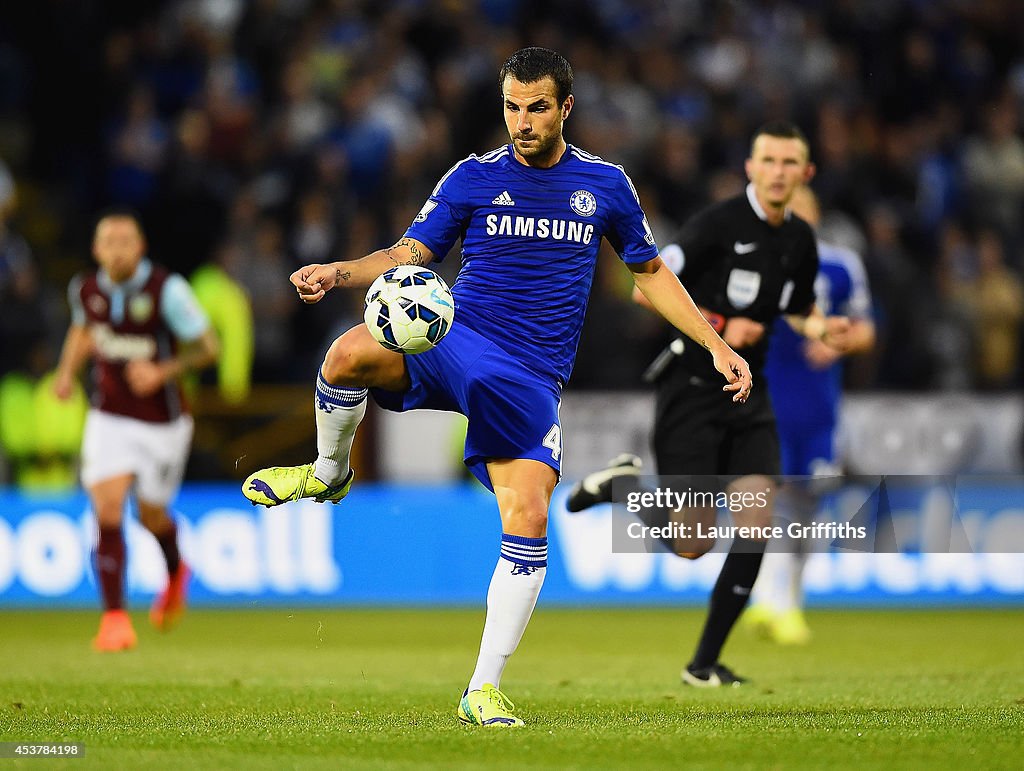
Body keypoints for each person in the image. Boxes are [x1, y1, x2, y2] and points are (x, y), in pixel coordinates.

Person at [242, 47, 752, 726]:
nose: (522, 120)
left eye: (537, 106)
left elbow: (651, 273)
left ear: (565, 107)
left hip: (529, 376)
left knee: (529, 518)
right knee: (344, 355)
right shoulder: (472, 177)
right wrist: (339, 272)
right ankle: (329, 470)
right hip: (453, 339)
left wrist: (712, 343)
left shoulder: (604, 185)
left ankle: (481, 686)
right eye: (512, 106)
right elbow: (408, 253)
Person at [568, 121, 856, 687]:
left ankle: (704, 664)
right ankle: (621, 488)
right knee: (694, 542)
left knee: (756, 522)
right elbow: (642, 285)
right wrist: (722, 325)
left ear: (805, 173)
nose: (778, 172)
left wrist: (822, 326)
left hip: (751, 393)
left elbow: (794, 308)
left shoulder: (800, 240)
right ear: (751, 167)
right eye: (767, 160)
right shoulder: (715, 226)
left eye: (788, 163)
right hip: (692, 394)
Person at [53, 210, 219, 652]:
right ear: (96, 249)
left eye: (127, 240)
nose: (118, 248)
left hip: (163, 424)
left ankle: (175, 570)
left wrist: (164, 370)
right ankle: (113, 620)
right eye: (109, 241)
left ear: (141, 247)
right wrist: (66, 374)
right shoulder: (85, 290)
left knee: (151, 516)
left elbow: (209, 348)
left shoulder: (168, 290)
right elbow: (81, 331)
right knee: (107, 509)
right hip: (108, 416)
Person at [745, 186, 876, 644]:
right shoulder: (754, 260)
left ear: (815, 215)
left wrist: (837, 341)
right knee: (773, 500)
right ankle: (769, 600)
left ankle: (790, 603)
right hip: (767, 399)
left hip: (819, 409)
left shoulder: (842, 265)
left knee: (808, 505)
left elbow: (867, 332)